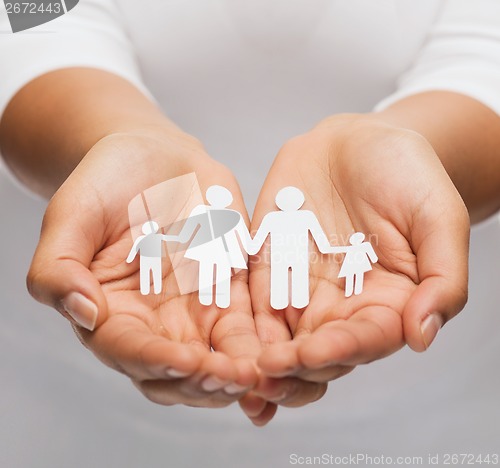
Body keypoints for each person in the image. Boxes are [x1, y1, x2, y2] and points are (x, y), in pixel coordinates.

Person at [0, 0, 499, 436]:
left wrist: (413, 156)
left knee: (273, 283)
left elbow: (487, 51)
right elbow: (29, 21)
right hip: (75, 383)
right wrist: (115, 140)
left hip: (416, 395)